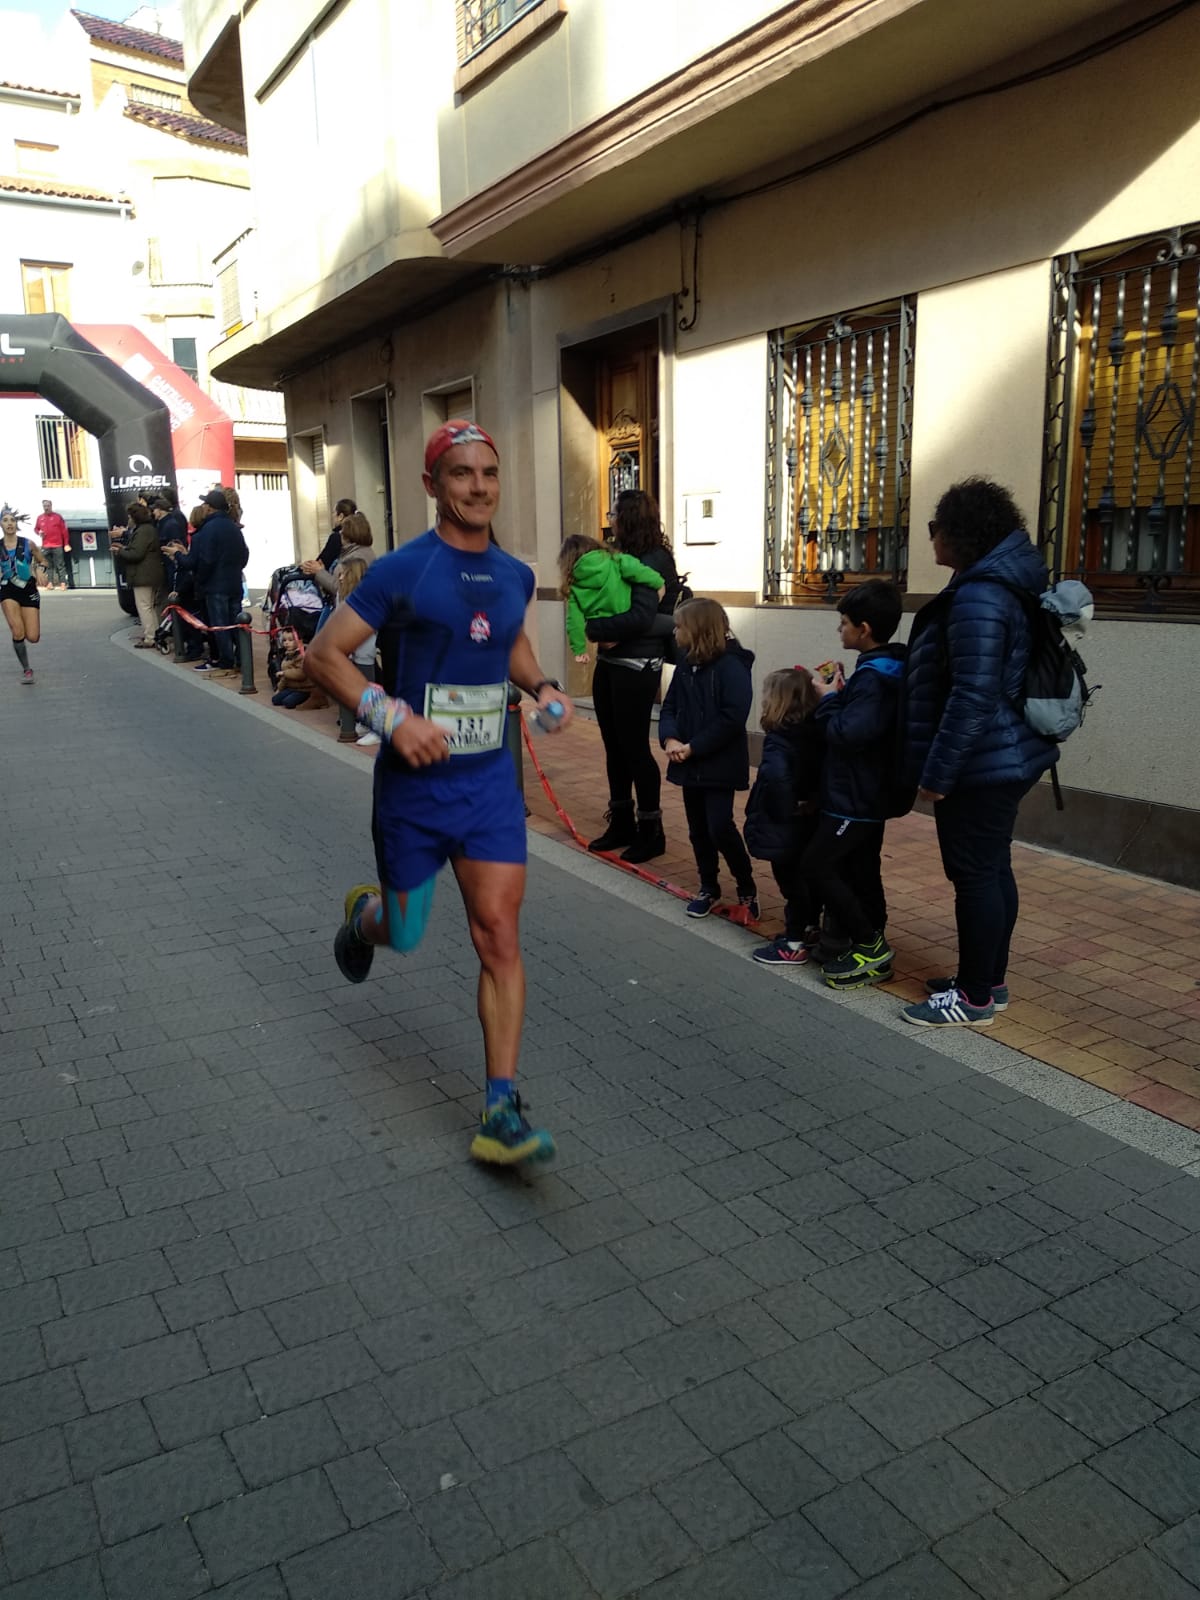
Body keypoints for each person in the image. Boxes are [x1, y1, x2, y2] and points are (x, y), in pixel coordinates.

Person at [306, 419, 575, 1166]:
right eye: (462, 474)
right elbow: (325, 655)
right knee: (406, 930)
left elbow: (509, 640)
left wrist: (543, 686)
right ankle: (363, 919)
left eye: (489, 473)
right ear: (432, 485)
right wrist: (392, 718)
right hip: (415, 794)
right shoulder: (403, 571)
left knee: (499, 937)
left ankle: (501, 1109)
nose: (479, 487)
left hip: (488, 789)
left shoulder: (514, 574)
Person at [900, 477, 1059, 1028]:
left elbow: (972, 693)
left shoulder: (980, 595)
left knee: (974, 876)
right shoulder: (996, 584)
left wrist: (939, 773)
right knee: (991, 868)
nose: (931, 537)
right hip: (1003, 752)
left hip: (981, 760)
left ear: (960, 533)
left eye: (935, 527)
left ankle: (973, 998)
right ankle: (989, 980)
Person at [805, 579, 906, 989]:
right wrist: (843, 693)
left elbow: (848, 733)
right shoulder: (883, 668)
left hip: (855, 796)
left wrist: (828, 699)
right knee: (863, 868)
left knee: (817, 864)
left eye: (844, 623)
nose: (839, 629)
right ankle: (872, 944)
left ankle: (869, 944)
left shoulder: (875, 678)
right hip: (867, 793)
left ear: (864, 629)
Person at [580, 489, 683, 863]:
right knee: (614, 746)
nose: (609, 520)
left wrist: (597, 629)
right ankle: (622, 820)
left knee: (635, 747)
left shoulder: (655, 560)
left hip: (638, 664)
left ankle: (651, 830)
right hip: (611, 662)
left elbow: (642, 616)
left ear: (629, 518)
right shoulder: (621, 555)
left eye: (614, 514)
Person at [660, 597, 758, 923]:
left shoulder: (731, 666)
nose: (674, 632)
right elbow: (670, 706)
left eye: (679, 626)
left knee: (720, 827)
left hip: (719, 763)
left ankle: (747, 888)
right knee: (698, 829)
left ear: (698, 629)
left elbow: (732, 718)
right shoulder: (687, 663)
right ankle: (708, 887)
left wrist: (694, 747)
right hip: (690, 762)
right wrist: (670, 738)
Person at [744, 667, 826, 965]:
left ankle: (793, 943)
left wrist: (785, 807)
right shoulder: (817, 731)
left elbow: (777, 777)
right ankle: (810, 927)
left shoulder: (779, 739)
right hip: (811, 818)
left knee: (792, 883)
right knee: (807, 878)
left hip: (785, 823)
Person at [165, 489, 248, 674]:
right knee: (237, 624)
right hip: (234, 583)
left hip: (214, 586)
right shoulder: (234, 528)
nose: (202, 507)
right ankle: (242, 658)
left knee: (219, 625)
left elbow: (200, 561)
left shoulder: (206, 531)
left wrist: (178, 555)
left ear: (210, 508)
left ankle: (226, 661)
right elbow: (244, 555)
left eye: (205, 504)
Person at [332, 555, 381, 745]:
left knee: (368, 686)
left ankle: (377, 728)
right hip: (350, 648)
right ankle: (365, 721)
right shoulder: (342, 595)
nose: (340, 577)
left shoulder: (365, 597)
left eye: (344, 574)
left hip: (365, 647)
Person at [1, 511, 49, 683]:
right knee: (17, 631)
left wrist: (39, 570)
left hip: (28, 590)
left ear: (16, 524)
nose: (9, 523)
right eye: (5, 520)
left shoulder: (28, 544)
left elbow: (43, 561)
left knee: (33, 637)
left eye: (12, 520)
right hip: (7, 590)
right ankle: (27, 669)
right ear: (1, 525)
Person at [110, 503, 166, 648]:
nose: (128, 519)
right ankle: (155, 634)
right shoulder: (149, 529)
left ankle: (150, 637)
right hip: (151, 574)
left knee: (144, 606)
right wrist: (125, 548)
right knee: (150, 606)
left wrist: (120, 551)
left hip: (143, 575)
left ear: (135, 517)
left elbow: (136, 554)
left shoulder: (142, 531)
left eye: (130, 516)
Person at [316, 498, 358, 574]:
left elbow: (322, 562)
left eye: (334, 513)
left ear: (340, 516)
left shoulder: (337, 537)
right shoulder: (359, 536)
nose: (332, 516)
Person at [34, 499, 69, 589]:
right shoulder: (40, 518)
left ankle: (63, 583)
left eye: (48, 506)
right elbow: (36, 529)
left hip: (57, 545)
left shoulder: (58, 517)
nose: (46, 508)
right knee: (48, 565)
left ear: (51, 506)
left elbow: (64, 531)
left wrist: (66, 544)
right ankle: (50, 583)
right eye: (44, 506)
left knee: (60, 565)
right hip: (46, 545)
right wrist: (39, 532)